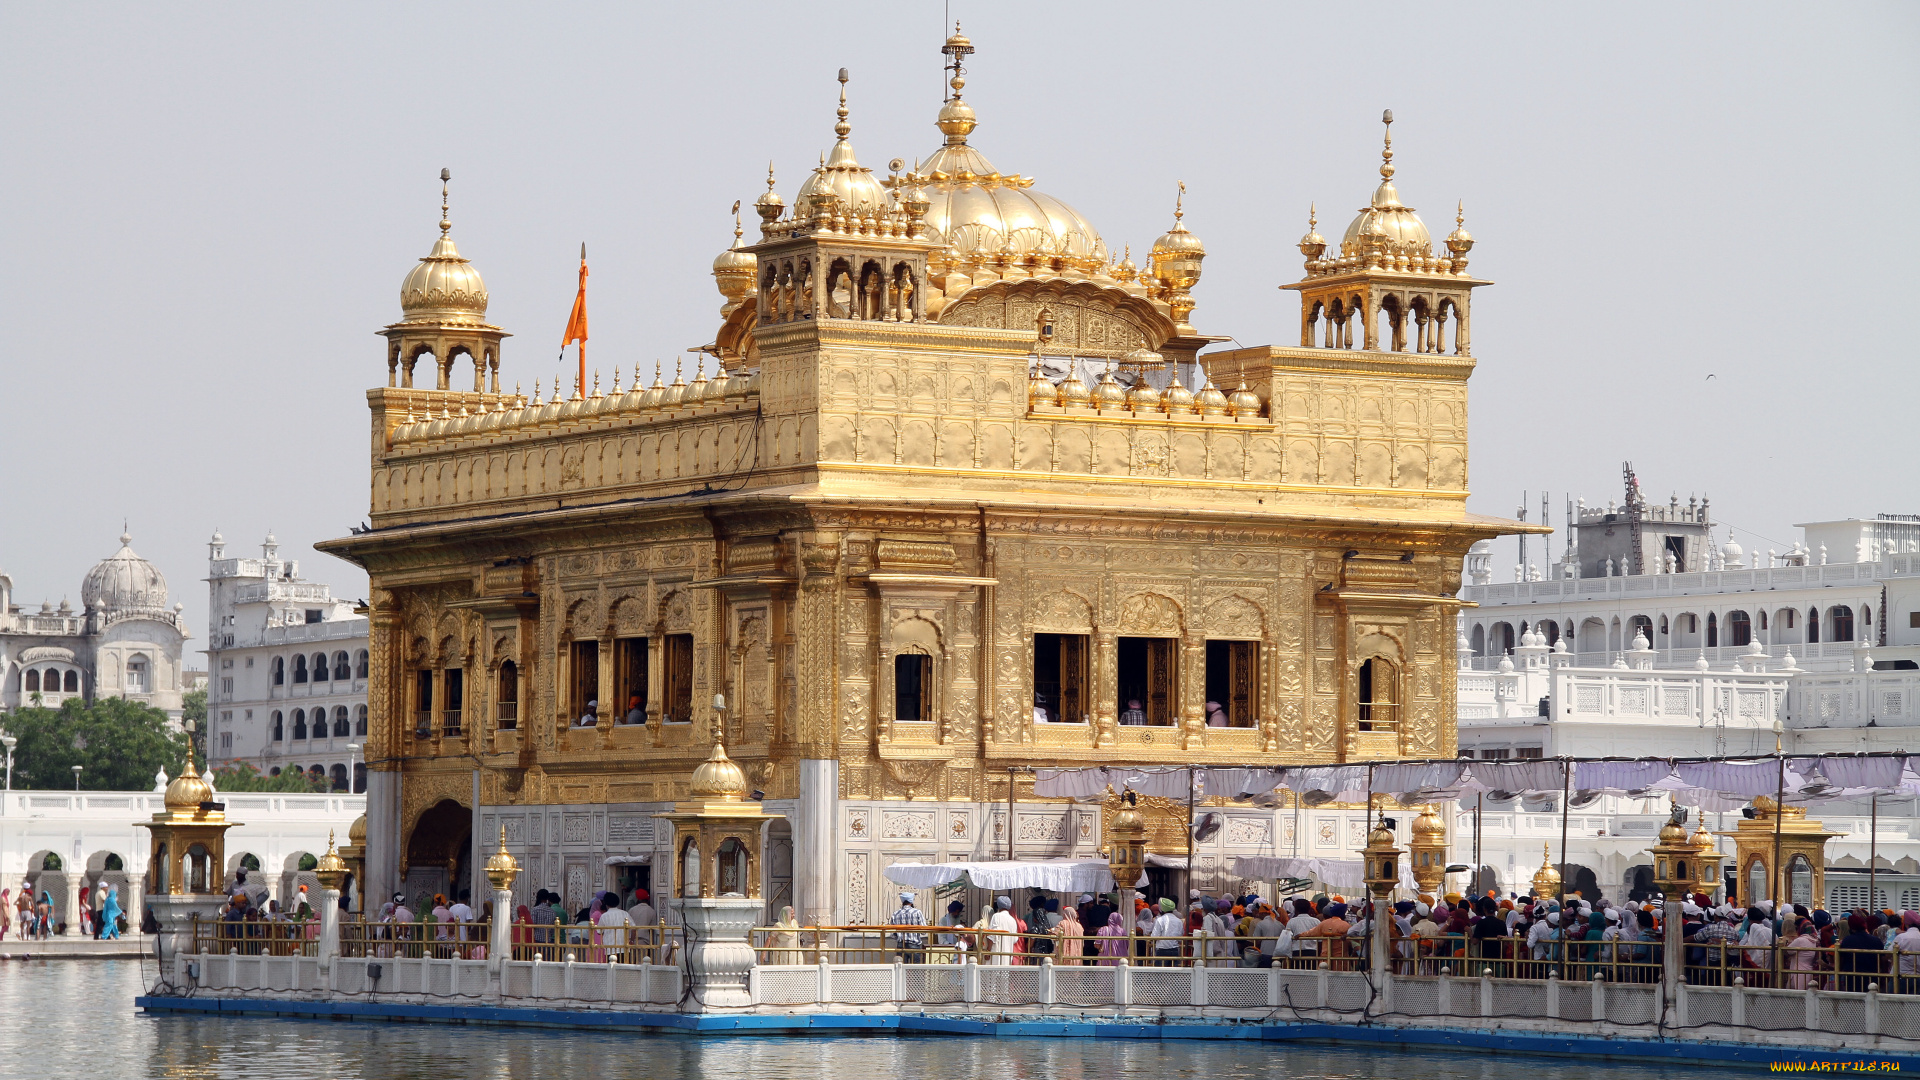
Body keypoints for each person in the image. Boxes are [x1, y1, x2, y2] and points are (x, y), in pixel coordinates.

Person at [1837, 914, 1884, 992]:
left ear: (1851, 927)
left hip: (1852, 979)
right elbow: (1882, 961)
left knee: (1854, 1002)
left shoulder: (1847, 940)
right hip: (1873, 978)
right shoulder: (1876, 940)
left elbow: (1841, 961)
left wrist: (1839, 973)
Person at [889, 892, 927, 963]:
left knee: (901, 969)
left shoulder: (896, 914)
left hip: (901, 945)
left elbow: (892, 934)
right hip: (914, 944)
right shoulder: (917, 912)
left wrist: (900, 937)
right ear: (911, 901)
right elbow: (924, 931)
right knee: (915, 971)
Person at [1786, 918, 1822, 990]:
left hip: (1798, 971)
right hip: (1808, 971)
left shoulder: (1800, 940)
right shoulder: (1814, 940)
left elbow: (1788, 951)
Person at [597, 891, 632, 960]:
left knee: (612, 968)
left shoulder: (604, 916)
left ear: (605, 903)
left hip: (610, 948)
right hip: (624, 947)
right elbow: (633, 928)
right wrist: (632, 940)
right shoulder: (625, 913)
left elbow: (599, 931)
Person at [1150, 899, 1185, 965]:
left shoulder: (1160, 920)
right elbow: (1181, 936)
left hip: (1162, 950)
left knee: (1161, 973)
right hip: (1175, 949)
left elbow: (1154, 936)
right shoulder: (1179, 921)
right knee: (1173, 974)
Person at [1893, 911, 1920, 996]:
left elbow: (1889, 953)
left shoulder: (1901, 937)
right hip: (1917, 976)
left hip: (1900, 976)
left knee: (1893, 1004)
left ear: (1906, 924)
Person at [986, 896, 1019, 965]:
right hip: (1007, 954)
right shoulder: (1012, 920)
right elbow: (1015, 939)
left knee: (993, 973)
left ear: (999, 905)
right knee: (1004, 973)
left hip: (996, 953)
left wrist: (988, 951)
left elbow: (992, 935)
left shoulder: (996, 916)